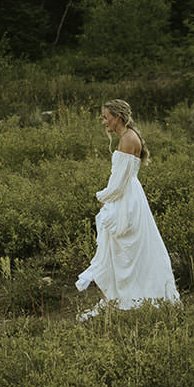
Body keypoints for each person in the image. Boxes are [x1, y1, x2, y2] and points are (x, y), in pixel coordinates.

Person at [75, 99, 179, 318]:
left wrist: (102, 197)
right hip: (130, 195)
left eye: (106, 117)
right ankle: (121, 295)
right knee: (125, 250)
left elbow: (119, 182)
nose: (104, 122)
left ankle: (129, 296)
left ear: (117, 117)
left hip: (126, 198)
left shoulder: (127, 139)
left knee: (125, 249)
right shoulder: (129, 135)